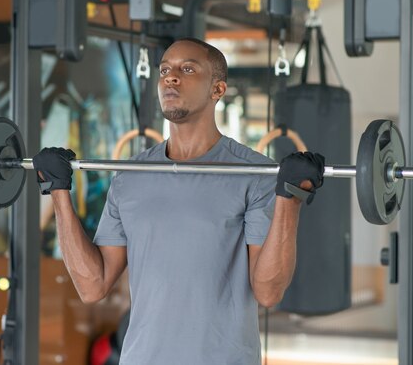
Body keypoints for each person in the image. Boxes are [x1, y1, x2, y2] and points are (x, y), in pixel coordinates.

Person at [32, 38, 324, 365]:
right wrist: (57, 190)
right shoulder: (129, 178)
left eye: (187, 69)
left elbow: (269, 292)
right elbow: (92, 286)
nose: (171, 77)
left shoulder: (252, 174)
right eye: (165, 70)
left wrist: (290, 197)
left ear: (218, 90)